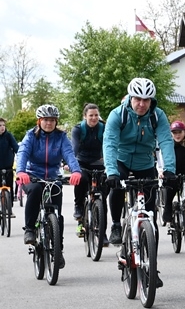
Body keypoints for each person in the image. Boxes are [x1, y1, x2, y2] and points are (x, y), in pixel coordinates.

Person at [103, 78, 176, 267]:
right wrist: (111, 172)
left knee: (150, 218)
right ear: (130, 98)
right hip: (122, 161)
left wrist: (169, 169)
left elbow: (166, 142)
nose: (142, 104)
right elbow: (110, 143)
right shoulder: (117, 115)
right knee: (117, 188)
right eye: (137, 99)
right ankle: (117, 225)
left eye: (146, 100)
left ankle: (152, 266)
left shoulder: (157, 116)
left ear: (152, 101)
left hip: (145, 163)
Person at [15, 105, 82, 263]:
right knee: (36, 189)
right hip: (32, 176)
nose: (49, 123)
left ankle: (58, 249)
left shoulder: (61, 137)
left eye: (52, 120)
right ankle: (30, 229)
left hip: (53, 177)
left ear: (56, 122)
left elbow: (69, 154)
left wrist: (76, 171)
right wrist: (21, 172)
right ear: (39, 121)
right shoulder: (31, 136)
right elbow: (23, 153)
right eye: (45, 120)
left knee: (56, 213)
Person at [69, 103, 108, 239]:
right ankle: (78, 207)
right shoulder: (78, 129)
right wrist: (71, 163)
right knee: (82, 179)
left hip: (99, 162)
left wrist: (108, 160)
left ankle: (102, 233)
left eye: (96, 115)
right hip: (82, 162)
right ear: (85, 116)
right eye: (91, 115)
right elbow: (74, 147)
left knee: (102, 198)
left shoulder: (103, 128)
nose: (94, 118)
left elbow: (108, 144)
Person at [0, 117, 19, 193]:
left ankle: (9, 203)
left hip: (8, 167)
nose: (2, 127)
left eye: (3, 125)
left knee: (9, 188)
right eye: (0, 125)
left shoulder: (8, 136)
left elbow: (16, 148)